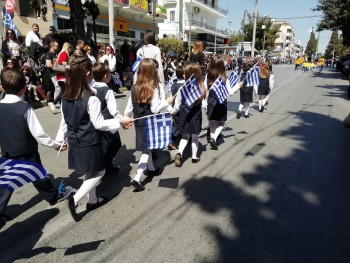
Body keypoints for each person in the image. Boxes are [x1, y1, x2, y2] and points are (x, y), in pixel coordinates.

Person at [55, 55, 133, 221]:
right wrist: (120, 121)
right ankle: (75, 200)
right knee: (99, 171)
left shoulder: (65, 97)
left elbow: (64, 122)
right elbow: (99, 124)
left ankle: (93, 200)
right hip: (90, 141)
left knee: (90, 171)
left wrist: (60, 139)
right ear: (88, 72)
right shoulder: (91, 98)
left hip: (75, 140)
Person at [0, 69, 72, 229]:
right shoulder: (25, 108)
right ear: (24, 88)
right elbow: (39, 134)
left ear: (2, 87)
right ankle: (53, 196)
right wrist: (56, 144)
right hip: (26, 150)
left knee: (6, 183)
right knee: (38, 174)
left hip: (7, 151)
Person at [124, 58, 173, 191]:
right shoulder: (154, 87)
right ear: (152, 71)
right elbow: (155, 109)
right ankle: (137, 178)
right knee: (146, 150)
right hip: (150, 122)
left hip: (138, 122)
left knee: (148, 147)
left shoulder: (134, 87)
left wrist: (126, 118)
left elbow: (129, 106)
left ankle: (151, 168)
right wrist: (168, 101)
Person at [171, 61, 207, 167]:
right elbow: (204, 105)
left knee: (184, 137)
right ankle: (194, 157)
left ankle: (180, 153)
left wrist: (172, 112)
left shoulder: (182, 89)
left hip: (184, 116)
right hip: (196, 117)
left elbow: (177, 106)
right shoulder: (201, 88)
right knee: (195, 138)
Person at [91, 62, 122, 175]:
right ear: (105, 76)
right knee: (115, 143)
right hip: (108, 122)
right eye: (109, 74)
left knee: (103, 144)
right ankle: (104, 166)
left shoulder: (91, 89)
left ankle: (106, 166)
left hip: (95, 120)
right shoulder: (107, 91)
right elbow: (114, 111)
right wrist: (122, 120)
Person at [206, 55, 227, 150]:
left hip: (210, 101)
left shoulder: (208, 75)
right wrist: (238, 86)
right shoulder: (223, 77)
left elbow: (205, 89)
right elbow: (230, 91)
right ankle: (214, 138)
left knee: (212, 122)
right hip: (221, 102)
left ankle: (212, 138)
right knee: (221, 122)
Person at [48, 42, 73, 113]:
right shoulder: (64, 53)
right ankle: (54, 102)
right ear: (68, 47)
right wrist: (69, 65)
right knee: (64, 92)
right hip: (62, 76)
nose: (71, 50)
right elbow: (61, 62)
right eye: (71, 48)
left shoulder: (62, 53)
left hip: (61, 76)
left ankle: (62, 105)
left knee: (64, 91)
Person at [168, 63, 185, 150]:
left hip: (174, 107)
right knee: (183, 125)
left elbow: (171, 96)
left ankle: (172, 141)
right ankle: (176, 142)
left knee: (175, 124)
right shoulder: (185, 85)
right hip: (183, 108)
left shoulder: (174, 85)